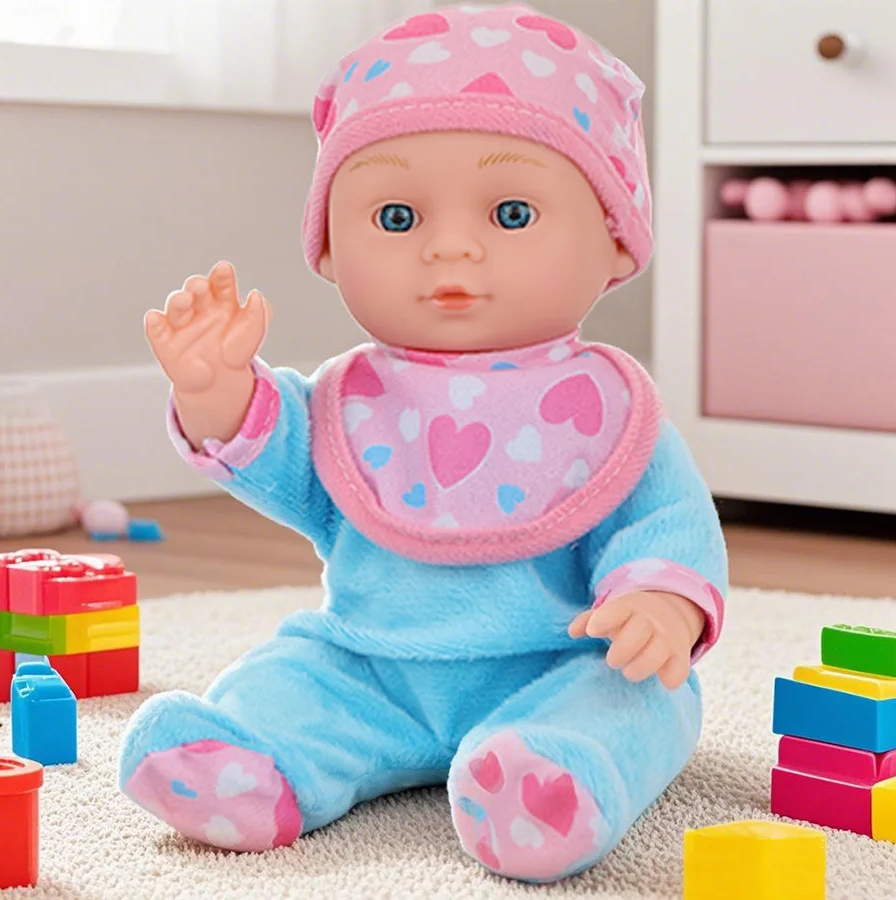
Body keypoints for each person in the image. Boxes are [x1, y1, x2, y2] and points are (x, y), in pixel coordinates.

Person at [119, 2, 728, 883]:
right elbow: (281, 454)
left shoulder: (609, 410)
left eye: (510, 213)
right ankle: (249, 763)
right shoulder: (348, 401)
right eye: (398, 218)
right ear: (332, 248)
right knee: (293, 674)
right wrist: (217, 391)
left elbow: (666, 523)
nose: (450, 249)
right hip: (368, 664)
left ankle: (548, 781)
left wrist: (661, 602)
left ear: (615, 239)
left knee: (641, 695)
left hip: (558, 661)